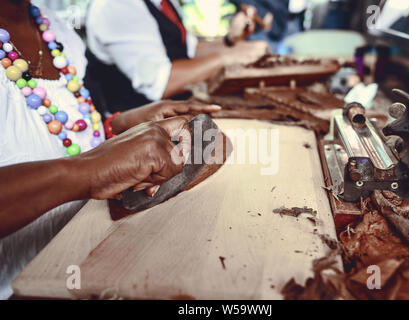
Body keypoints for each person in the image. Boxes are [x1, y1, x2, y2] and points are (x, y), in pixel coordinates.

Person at [0, 0, 219, 299]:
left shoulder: (54, 27)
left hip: (84, 262)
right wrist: (88, 170)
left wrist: (121, 125)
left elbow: (56, 131)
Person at [85, 0, 270, 114]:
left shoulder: (161, 2)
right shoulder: (116, 6)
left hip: (177, 117)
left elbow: (189, 49)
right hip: (139, 138)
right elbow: (161, 83)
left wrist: (230, 41)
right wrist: (227, 56)